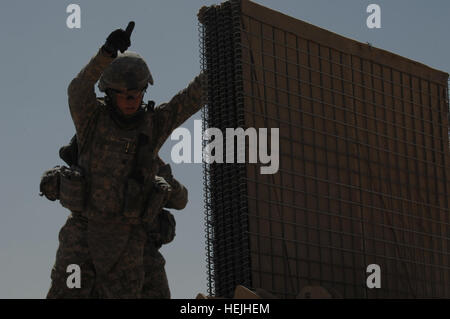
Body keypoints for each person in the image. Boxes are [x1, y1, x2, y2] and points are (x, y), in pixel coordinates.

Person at [44, 21, 204, 298]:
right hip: (82, 234)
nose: (132, 99)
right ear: (109, 92)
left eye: (138, 92)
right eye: (125, 94)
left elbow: (188, 101)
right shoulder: (92, 120)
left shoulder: (153, 126)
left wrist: (217, 70)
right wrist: (105, 53)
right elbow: (78, 89)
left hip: (128, 240)